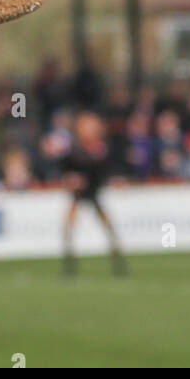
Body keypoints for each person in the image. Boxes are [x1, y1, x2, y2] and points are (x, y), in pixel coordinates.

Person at [61, 111, 128, 276]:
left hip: (93, 193)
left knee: (108, 227)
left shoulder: (101, 149)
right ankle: (70, 264)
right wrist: (72, 180)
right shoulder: (75, 150)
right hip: (78, 194)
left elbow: (105, 170)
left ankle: (118, 262)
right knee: (69, 227)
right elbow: (66, 169)